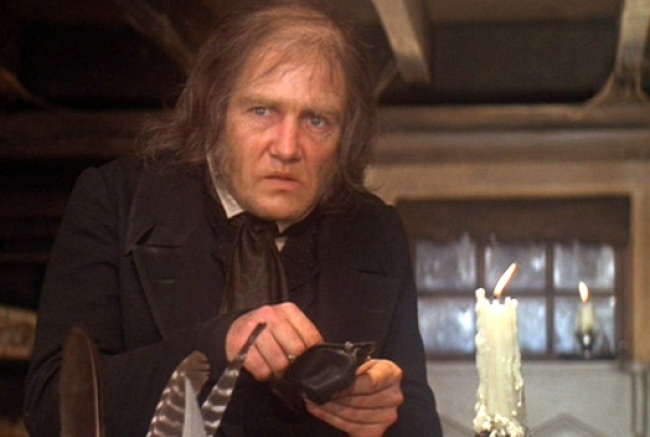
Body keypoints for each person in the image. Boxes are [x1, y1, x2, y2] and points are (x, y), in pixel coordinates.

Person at [24, 1, 443, 436]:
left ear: (346, 135)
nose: (287, 147)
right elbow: (52, 407)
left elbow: (419, 423)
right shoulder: (117, 200)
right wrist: (215, 345)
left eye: (317, 121)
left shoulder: (376, 232)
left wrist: (387, 416)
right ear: (215, 112)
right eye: (262, 111)